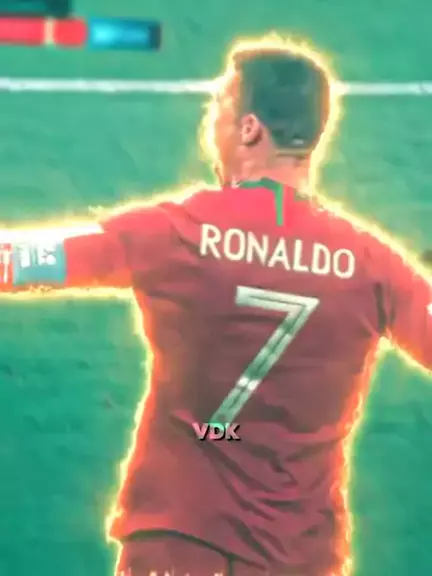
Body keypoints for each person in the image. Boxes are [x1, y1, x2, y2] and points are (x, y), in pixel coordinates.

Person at [1, 36, 431, 576]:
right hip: (301, 558)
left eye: (219, 105)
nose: (211, 120)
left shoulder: (178, 232)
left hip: (178, 544)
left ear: (249, 128)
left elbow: (29, 260)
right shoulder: (372, 266)